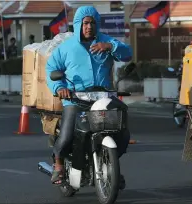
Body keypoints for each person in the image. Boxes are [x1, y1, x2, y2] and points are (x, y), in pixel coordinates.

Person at [45, 6, 132, 187]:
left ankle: (111, 167)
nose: (89, 26)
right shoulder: (67, 47)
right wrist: (59, 87)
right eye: (85, 23)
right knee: (68, 135)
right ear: (78, 24)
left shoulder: (106, 41)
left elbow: (127, 54)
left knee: (121, 132)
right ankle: (59, 164)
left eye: (93, 22)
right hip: (75, 99)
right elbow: (51, 69)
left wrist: (110, 46)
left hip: (102, 97)